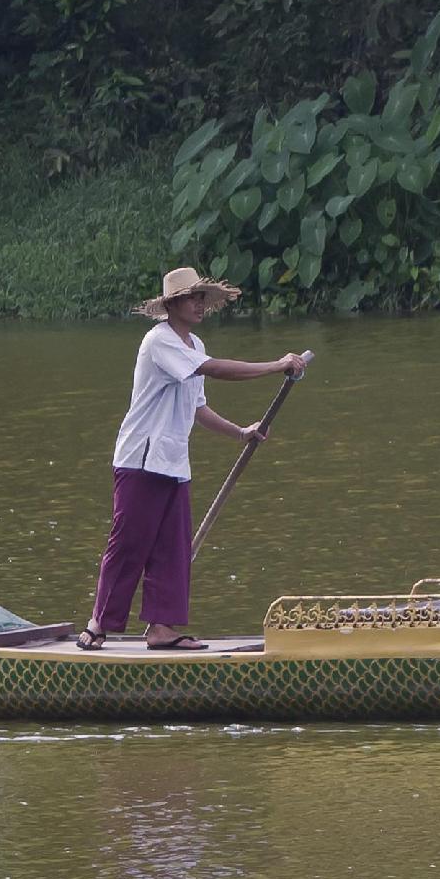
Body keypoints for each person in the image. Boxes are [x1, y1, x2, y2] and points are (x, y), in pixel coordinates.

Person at [75, 268, 305, 652]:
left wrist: (240, 432)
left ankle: (161, 629)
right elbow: (213, 370)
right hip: (140, 461)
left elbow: (198, 407)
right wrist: (275, 366)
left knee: (173, 548)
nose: (198, 304)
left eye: (201, 297)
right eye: (190, 298)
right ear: (171, 305)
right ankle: (100, 623)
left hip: (174, 464)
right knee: (130, 543)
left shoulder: (194, 344)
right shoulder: (159, 342)